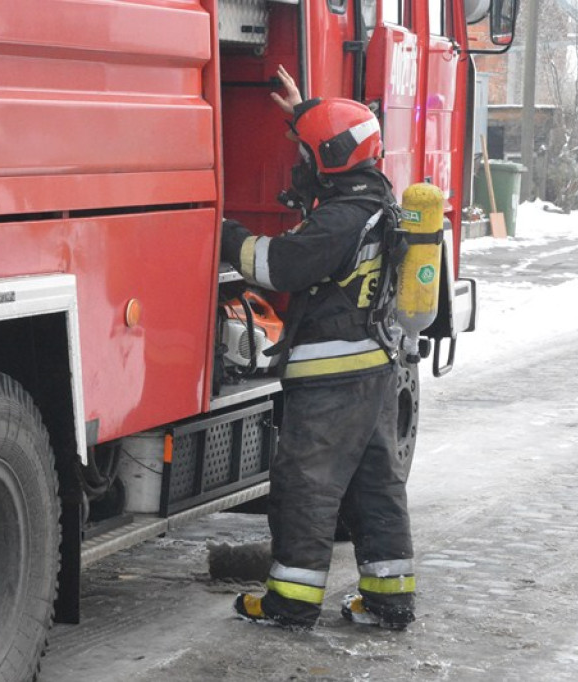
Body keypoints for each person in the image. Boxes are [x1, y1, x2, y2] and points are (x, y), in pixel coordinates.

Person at [221, 67, 416, 631]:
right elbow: (337, 150)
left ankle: (290, 602)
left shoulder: (338, 220)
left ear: (328, 160)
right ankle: (389, 599)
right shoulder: (377, 199)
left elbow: (276, 265)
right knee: (375, 485)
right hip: (372, 368)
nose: (299, 163)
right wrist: (307, 113)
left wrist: (224, 228)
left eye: (307, 154)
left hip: (331, 375)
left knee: (307, 487)